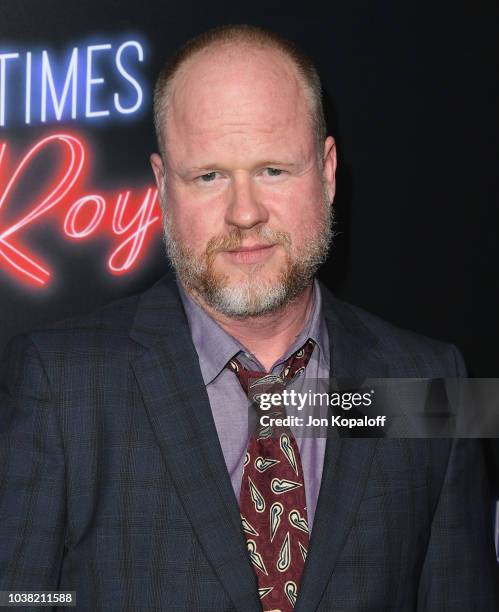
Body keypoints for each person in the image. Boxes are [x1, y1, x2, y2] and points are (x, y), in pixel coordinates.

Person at [0, 24, 497, 612]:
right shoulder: (60, 382)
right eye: (208, 176)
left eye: (273, 170)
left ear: (328, 170)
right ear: (162, 186)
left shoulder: (432, 382)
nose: (244, 212)